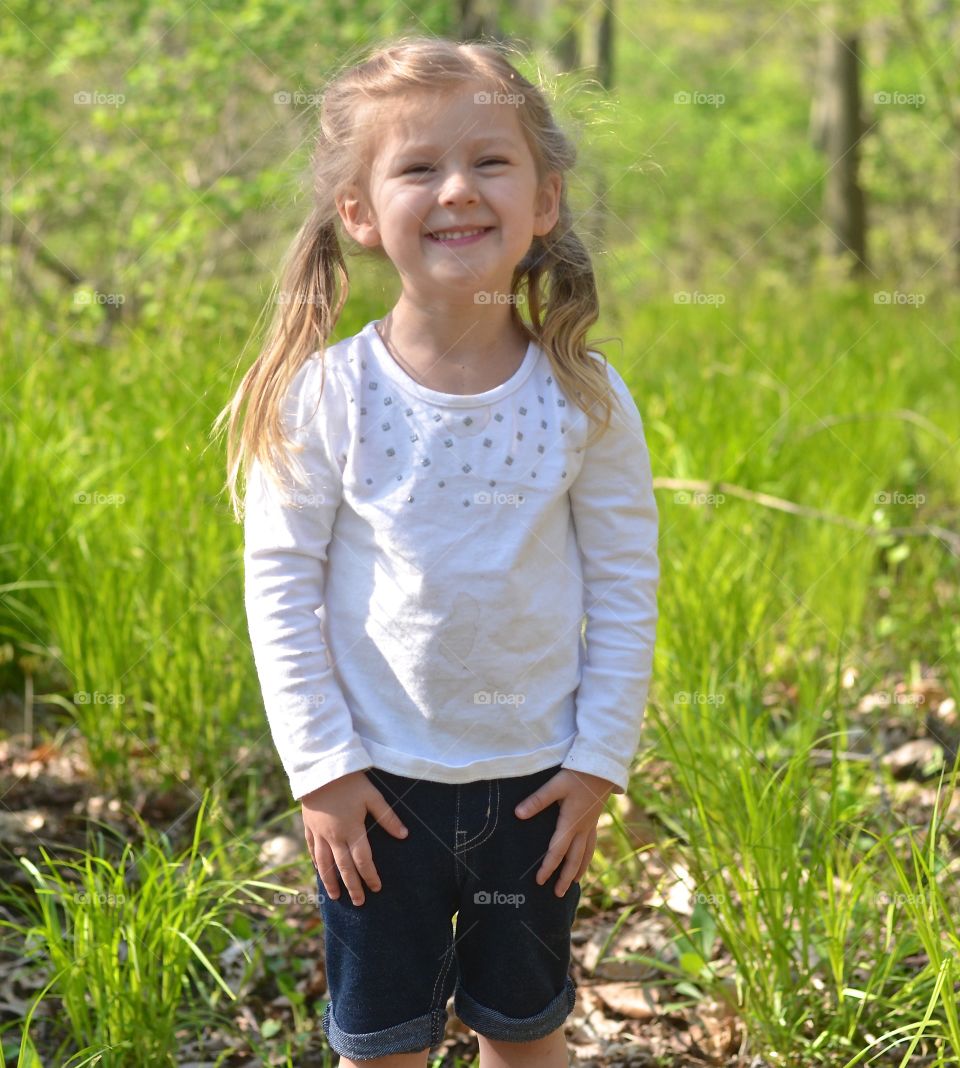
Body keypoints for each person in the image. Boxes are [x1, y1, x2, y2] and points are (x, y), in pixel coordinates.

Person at [219, 33, 660, 1068]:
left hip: (536, 789)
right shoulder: (326, 397)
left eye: (490, 161)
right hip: (376, 792)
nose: (458, 189)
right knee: (381, 1045)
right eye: (419, 166)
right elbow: (281, 590)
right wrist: (321, 770)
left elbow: (626, 582)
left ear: (544, 200)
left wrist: (598, 763)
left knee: (527, 1030)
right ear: (362, 213)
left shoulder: (584, 399)